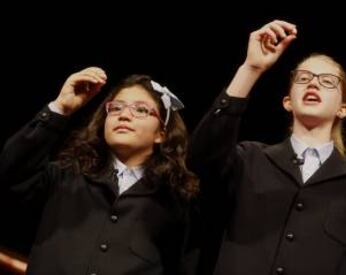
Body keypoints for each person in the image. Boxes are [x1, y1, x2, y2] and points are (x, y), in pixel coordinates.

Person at [188, 19, 346, 275]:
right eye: (303, 78)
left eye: (327, 81)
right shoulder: (250, 158)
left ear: (343, 108)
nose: (313, 84)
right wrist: (250, 69)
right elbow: (199, 159)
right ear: (287, 102)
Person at [0, 67, 199, 275]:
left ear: (161, 133)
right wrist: (60, 108)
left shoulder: (175, 200)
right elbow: (10, 172)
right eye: (115, 108)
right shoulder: (67, 175)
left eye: (140, 110)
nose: (124, 115)